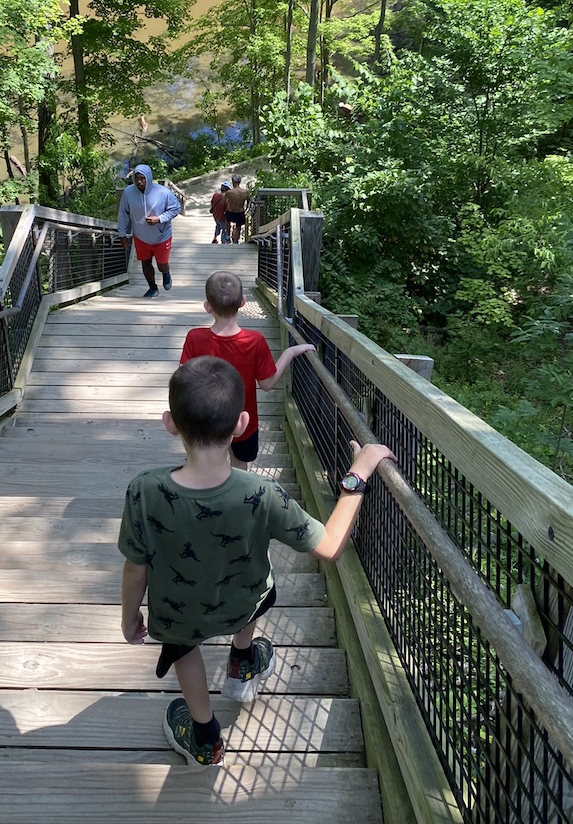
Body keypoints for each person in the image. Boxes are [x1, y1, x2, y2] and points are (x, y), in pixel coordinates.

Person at [119, 355, 395, 768]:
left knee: (183, 648)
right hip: (243, 600)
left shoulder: (144, 490)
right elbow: (331, 545)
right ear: (241, 425)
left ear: (170, 423)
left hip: (179, 613)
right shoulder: (263, 493)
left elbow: (135, 567)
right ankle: (242, 661)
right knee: (256, 592)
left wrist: (129, 620)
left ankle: (205, 738)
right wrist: (357, 475)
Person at [180, 270, 313, 469]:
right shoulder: (255, 341)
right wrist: (289, 353)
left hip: (204, 420)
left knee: (205, 466)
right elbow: (267, 384)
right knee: (240, 466)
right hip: (243, 422)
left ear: (208, 307)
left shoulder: (194, 337)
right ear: (243, 301)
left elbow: (184, 380)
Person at [118, 164, 181, 299]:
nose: (139, 182)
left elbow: (176, 208)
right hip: (140, 236)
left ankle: (166, 273)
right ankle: (153, 288)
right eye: (137, 178)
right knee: (145, 263)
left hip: (161, 236)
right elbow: (123, 213)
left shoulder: (163, 192)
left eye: (142, 178)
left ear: (149, 178)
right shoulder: (128, 193)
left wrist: (159, 219)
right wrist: (122, 234)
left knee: (161, 265)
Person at [221, 174, 249, 244]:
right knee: (238, 227)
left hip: (231, 211)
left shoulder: (229, 192)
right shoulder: (245, 192)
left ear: (233, 182)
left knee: (227, 220)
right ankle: (236, 241)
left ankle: (227, 235)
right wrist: (246, 208)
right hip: (240, 212)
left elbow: (222, 202)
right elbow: (249, 200)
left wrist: (228, 201)